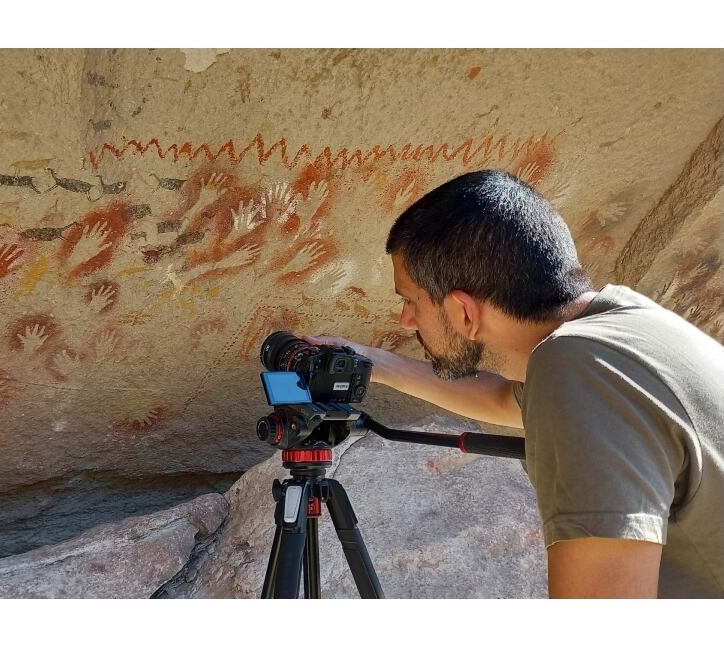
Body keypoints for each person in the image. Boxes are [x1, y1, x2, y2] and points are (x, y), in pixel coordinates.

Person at [306, 170, 723, 598]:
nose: (405, 320)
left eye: (410, 300)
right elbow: (505, 398)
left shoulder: (577, 374)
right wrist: (369, 362)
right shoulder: (620, 328)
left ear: (464, 311)